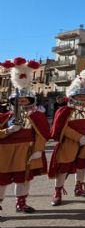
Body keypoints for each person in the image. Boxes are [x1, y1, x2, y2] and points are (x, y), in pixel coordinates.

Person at [0, 58, 50, 214]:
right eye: (18, 100)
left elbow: (42, 134)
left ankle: (21, 203)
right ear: (12, 101)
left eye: (24, 100)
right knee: (2, 181)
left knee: (24, 179)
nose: (21, 102)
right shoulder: (4, 117)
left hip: (26, 151)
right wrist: (8, 131)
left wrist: (39, 150)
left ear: (30, 100)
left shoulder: (36, 116)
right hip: (5, 152)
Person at [49, 62, 85, 206]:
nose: (82, 99)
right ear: (73, 96)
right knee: (63, 168)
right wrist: (79, 138)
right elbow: (62, 128)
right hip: (69, 143)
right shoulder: (65, 111)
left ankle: (79, 187)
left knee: (82, 166)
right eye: (79, 97)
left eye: (84, 97)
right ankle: (58, 192)